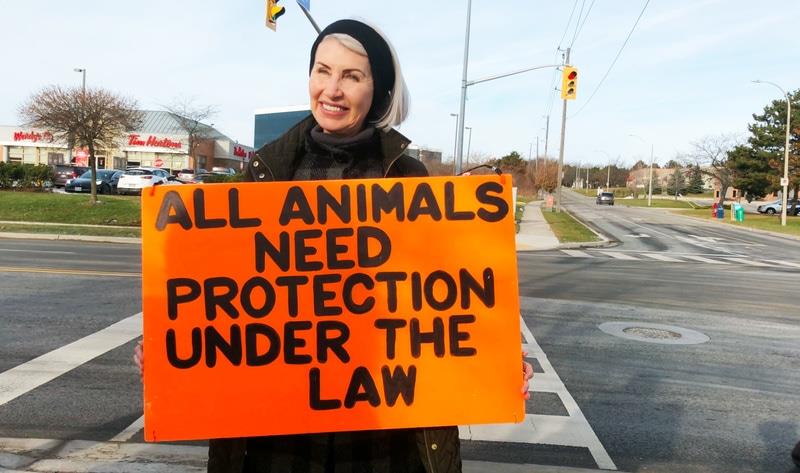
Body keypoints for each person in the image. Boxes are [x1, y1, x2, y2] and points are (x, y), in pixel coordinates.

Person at [135, 18, 533, 473]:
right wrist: (169, 351)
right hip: (276, 450)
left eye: (352, 76)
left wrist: (495, 358)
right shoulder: (263, 179)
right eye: (322, 71)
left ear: (379, 92)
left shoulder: (408, 181)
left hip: (383, 440)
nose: (332, 89)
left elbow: (447, 296)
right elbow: (218, 302)